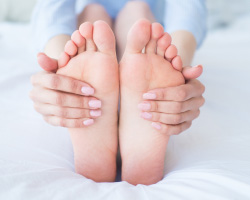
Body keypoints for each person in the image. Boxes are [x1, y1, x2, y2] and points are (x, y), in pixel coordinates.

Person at [29, 0, 206, 185]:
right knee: (118, 19)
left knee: (125, 19)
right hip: (147, 36)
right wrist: (61, 75)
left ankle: (97, 88)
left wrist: (178, 66)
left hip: (126, 32)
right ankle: (138, 86)